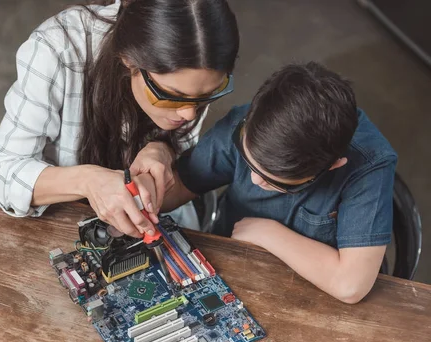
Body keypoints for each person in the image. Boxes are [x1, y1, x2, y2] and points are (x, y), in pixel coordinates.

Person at [0, 0, 239, 238]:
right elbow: (3, 173)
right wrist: (88, 181)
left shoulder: (199, 66)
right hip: (56, 223)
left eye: (206, 96)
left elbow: (184, 147)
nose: (189, 114)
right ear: (129, 60)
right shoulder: (58, 49)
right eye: (173, 96)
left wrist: (163, 148)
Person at [162, 62, 397, 304]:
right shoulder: (249, 125)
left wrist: (268, 234)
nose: (255, 180)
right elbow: (181, 185)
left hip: (316, 294)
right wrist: (144, 191)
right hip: (232, 267)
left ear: (332, 165)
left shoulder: (369, 166)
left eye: (278, 182)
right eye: (250, 163)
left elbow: (350, 286)